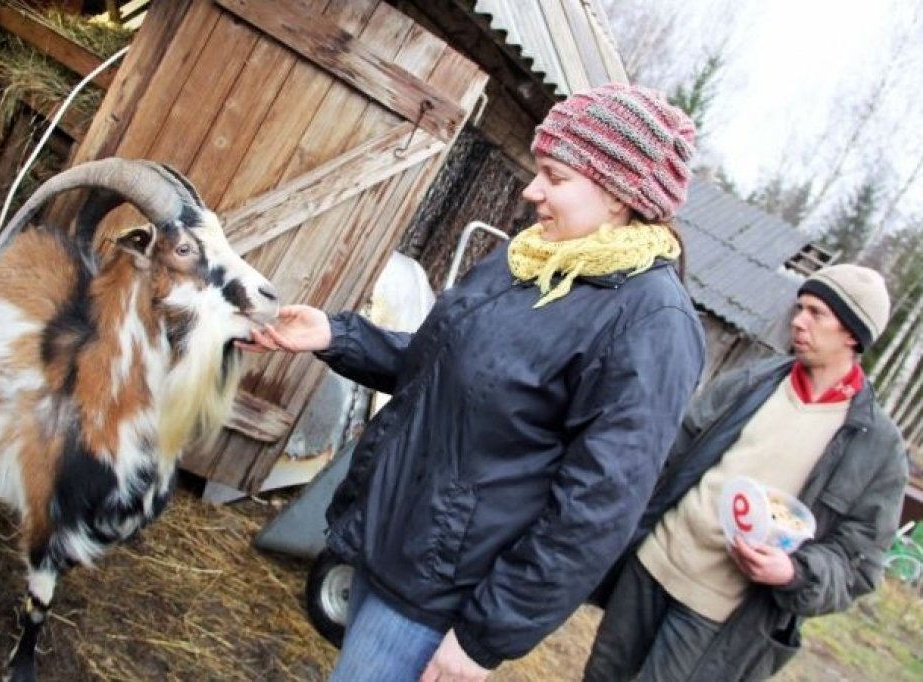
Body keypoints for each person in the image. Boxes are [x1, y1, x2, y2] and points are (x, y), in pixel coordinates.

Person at [242, 84, 706, 681]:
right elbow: (441, 369)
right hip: (390, 544)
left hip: (443, 599)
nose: (531, 190)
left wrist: (485, 636)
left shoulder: (651, 322)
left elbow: (594, 511)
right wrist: (336, 336)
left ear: (619, 193)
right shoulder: (527, 259)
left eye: (555, 176)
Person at [583, 263, 909, 682]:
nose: (798, 321)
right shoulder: (752, 383)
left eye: (815, 313)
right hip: (653, 564)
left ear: (851, 333)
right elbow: (669, 457)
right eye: (800, 308)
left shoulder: (877, 448)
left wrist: (795, 572)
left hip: (716, 612)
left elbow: (859, 564)